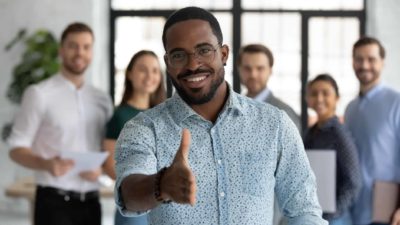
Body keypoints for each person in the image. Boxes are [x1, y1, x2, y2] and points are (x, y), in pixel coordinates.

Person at [114, 6, 327, 225]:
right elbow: (128, 194)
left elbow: (304, 210)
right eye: (179, 55)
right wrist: (161, 185)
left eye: (204, 50)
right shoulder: (144, 128)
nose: (193, 64)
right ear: (168, 64)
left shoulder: (275, 125)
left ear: (224, 54)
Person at [7, 22, 113, 225]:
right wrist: (46, 164)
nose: (79, 53)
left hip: (92, 203)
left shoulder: (102, 99)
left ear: (92, 51)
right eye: (73, 46)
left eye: (86, 47)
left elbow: (106, 149)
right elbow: (16, 148)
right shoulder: (39, 94)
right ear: (61, 50)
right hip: (53, 204)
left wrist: (102, 172)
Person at [103, 50, 166, 225]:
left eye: (154, 71)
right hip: (135, 205)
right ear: (130, 74)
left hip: (164, 204)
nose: (149, 76)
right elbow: (109, 166)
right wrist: (142, 186)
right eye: (143, 70)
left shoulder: (164, 116)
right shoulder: (120, 116)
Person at [344, 37, 400, 225]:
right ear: (352, 62)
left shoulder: (396, 103)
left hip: (387, 210)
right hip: (353, 208)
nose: (364, 65)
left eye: (371, 59)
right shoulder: (350, 108)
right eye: (359, 59)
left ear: (382, 62)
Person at [304, 74, 361, 225]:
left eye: (326, 93)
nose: (319, 99)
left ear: (337, 98)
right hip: (315, 215)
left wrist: (331, 215)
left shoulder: (339, 134)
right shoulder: (311, 132)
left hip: (335, 220)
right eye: (314, 94)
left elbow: (353, 182)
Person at [237, 44, 301, 130]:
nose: (253, 75)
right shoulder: (231, 109)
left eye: (260, 68)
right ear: (239, 70)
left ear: (270, 71)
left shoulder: (284, 113)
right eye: (247, 68)